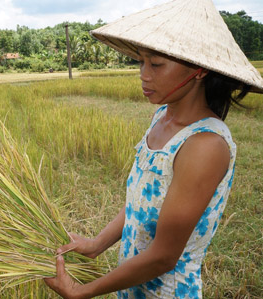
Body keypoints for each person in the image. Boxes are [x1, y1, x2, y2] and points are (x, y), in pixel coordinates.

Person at [44, 0, 263, 298]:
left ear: (198, 70)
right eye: (141, 61)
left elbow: (163, 256)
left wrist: (83, 292)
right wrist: (96, 245)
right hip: (134, 288)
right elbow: (143, 200)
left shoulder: (205, 145)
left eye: (156, 64)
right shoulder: (162, 117)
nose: (144, 74)